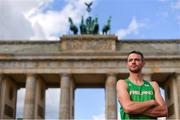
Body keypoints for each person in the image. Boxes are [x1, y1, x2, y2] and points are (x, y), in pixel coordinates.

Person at [116, 50, 168, 119]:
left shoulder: (153, 85)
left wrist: (135, 109)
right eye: (130, 60)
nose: (133, 62)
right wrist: (151, 102)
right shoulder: (122, 83)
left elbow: (163, 111)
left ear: (143, 63)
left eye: (137, 60)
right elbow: (128, 108)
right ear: (127, 64)